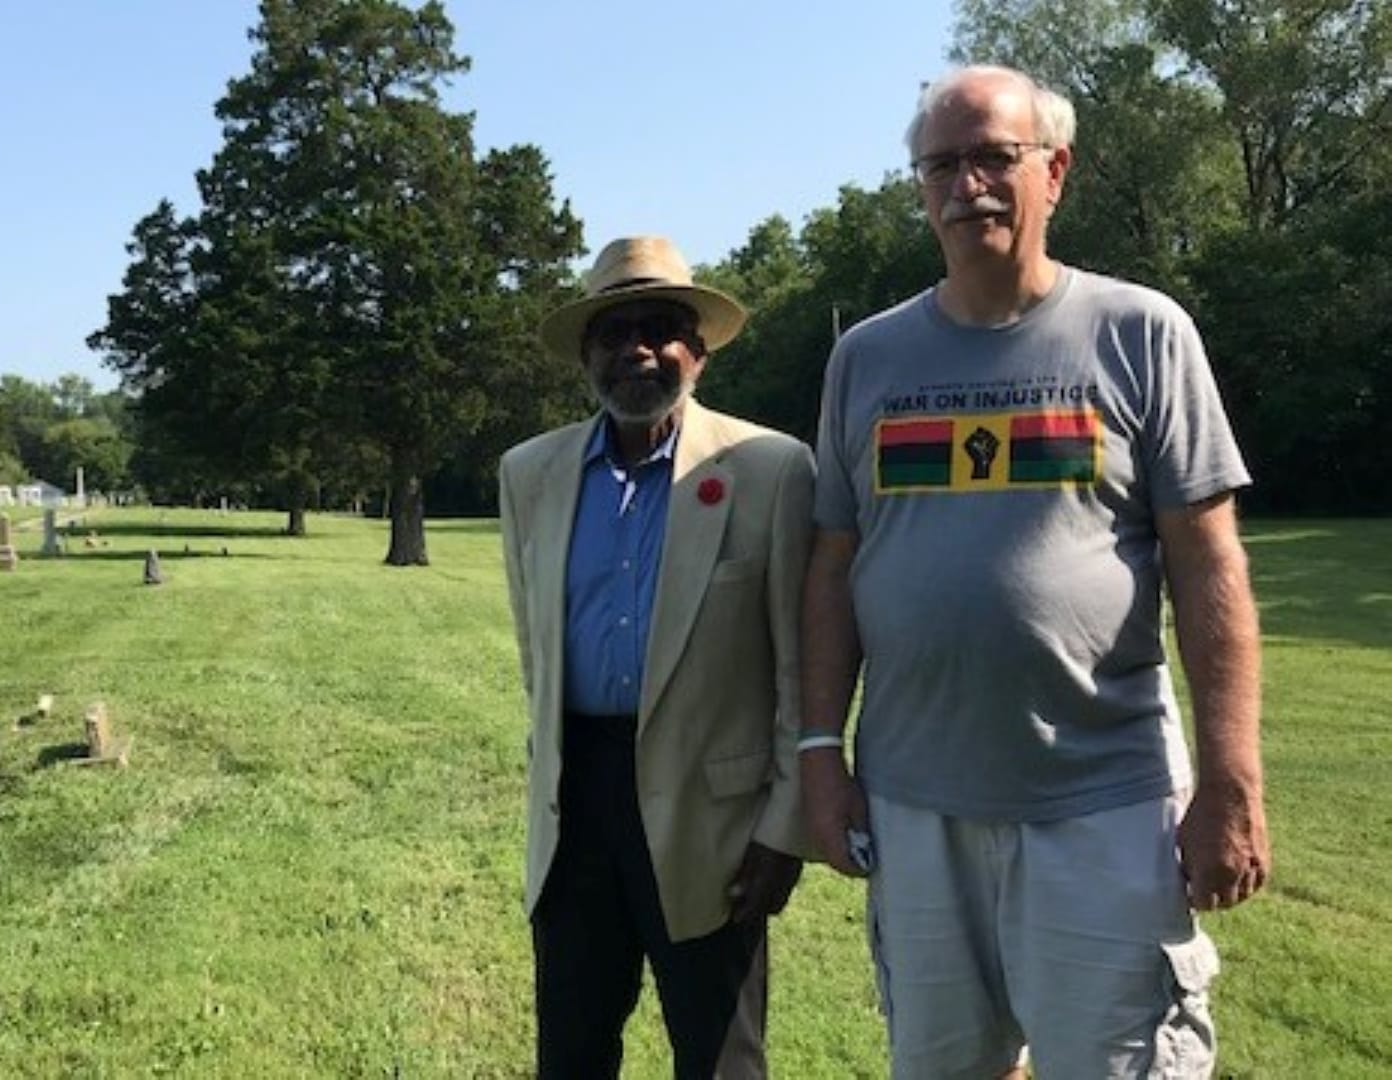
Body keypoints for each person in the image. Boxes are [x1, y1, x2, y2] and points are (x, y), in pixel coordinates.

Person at [800, 65, 1269, 1078]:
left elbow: (1209, 561)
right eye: (941, 165)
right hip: (917, 806)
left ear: (1053, 172)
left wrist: (1231, 776)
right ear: (921, 190)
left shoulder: (1142, 333)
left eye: (992, 157)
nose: (966, 183)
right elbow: (834, 565)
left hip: (1103, 803)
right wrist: (816, 749)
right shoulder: (868, 360)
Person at [500, 236, 816, 1078]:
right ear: (585, 356)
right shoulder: (528, 474)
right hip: (576, 811)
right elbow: (537, 648)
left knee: (719, 1059)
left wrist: (784, 826)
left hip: (713, 819)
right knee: (571, 1052)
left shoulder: (772, 469)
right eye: (612, 332)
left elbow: (799, 668)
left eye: (660, 327)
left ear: (698, 351)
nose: (636, 348)